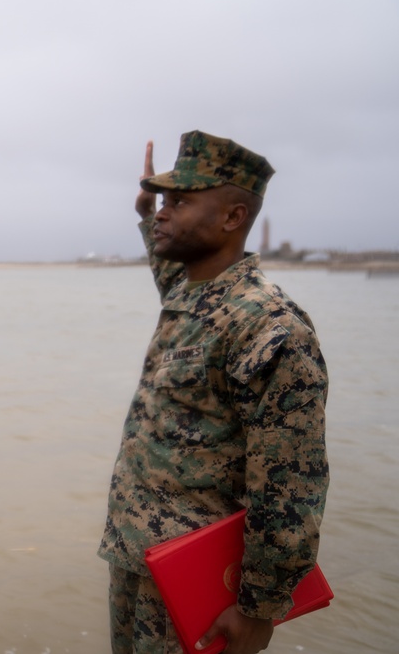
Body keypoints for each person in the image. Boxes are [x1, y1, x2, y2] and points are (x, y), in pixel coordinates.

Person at [97, 131, 329, 654]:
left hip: (200, 585)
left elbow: (290, 488)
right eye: (163, 201)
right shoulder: (192, 292)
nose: (164, 212)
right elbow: (167, 268)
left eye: (180, 201)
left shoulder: (269, 327)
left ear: (232, 217)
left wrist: (258, 610)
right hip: (138, 560)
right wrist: (146, 212)